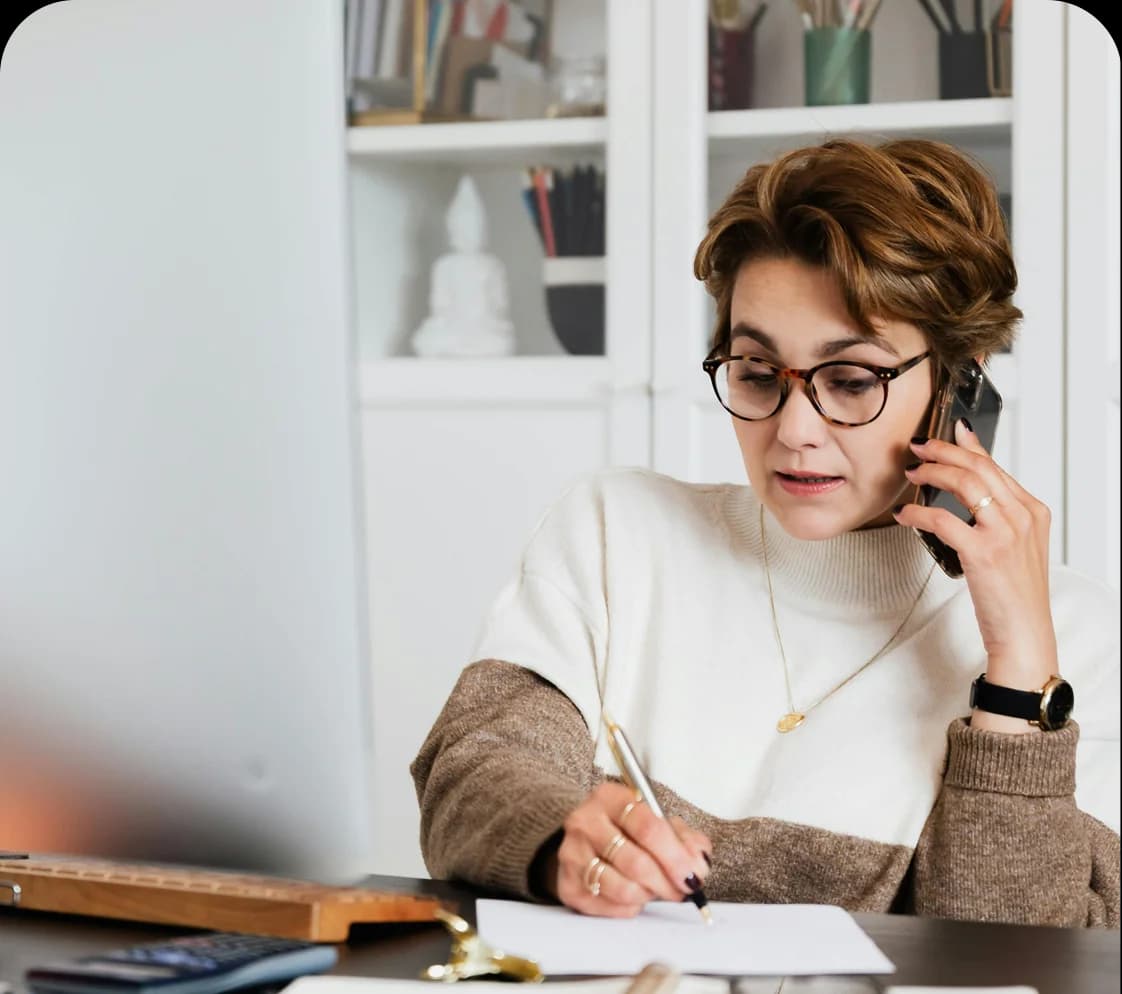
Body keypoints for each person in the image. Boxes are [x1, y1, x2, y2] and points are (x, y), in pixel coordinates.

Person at [411, 138, 1120, 928]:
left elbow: (1010, 956)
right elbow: (471, 772)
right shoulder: (618, 533)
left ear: (964, 380)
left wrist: (1019, 681)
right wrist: (558, 840)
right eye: (755, 372)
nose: (795, 431)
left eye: (851, 380)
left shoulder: (1069, 639)